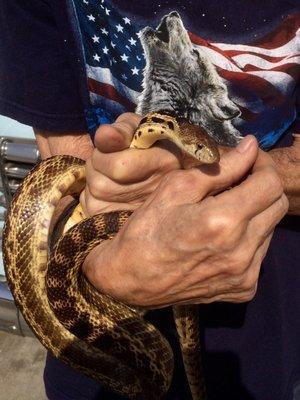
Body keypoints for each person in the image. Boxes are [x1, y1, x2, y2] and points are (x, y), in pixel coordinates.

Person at [0, 1, 299, 400]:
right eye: (198, 150)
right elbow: (63, 152)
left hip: (265, 324)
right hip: (92, 336)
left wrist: (224, 175)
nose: (203, 158)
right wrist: (101, 261)